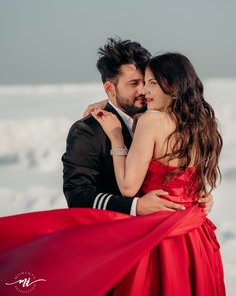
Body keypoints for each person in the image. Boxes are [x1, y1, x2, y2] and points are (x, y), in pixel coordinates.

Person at [91, 52, 225, 295]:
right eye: (143, 83)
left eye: (153, 83)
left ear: (172, 85)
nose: (145, 91)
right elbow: (189, 180)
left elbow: (128, 188)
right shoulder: (202, 122)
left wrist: (116, 137)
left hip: (162, 236)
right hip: (197, 235)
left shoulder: (152, 121)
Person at [62, 37, 213, 215]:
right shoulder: (88, 131)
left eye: (149, 82)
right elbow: (77, 197)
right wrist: (135, 206)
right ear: (110, 88)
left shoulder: (162, 119)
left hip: (165, 227)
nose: (143, 90)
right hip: (115, 235)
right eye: (134, 84)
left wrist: (196, 196)